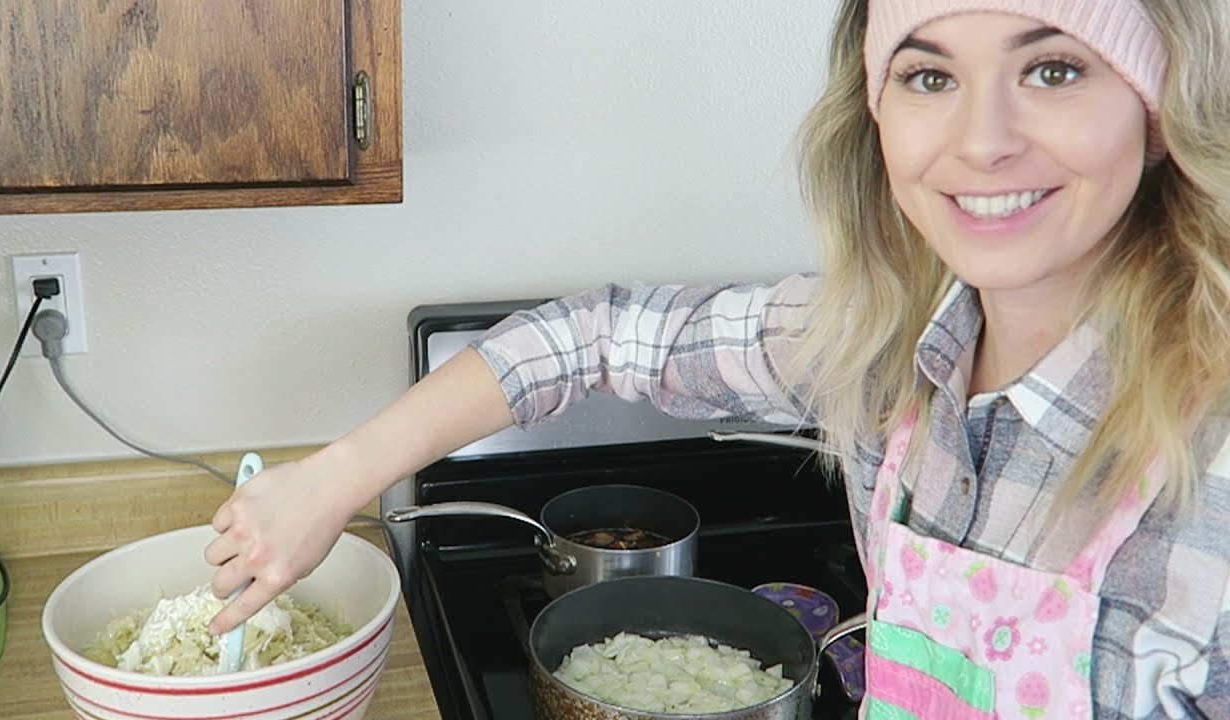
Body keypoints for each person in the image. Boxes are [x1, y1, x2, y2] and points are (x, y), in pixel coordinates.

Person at [204, 0, 1230, 716]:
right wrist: (331, 479)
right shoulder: (870, 349)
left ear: (1155, 110)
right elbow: (592, 338)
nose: (981, 140)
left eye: (1052, 69)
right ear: (874, 117)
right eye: (927, 75)